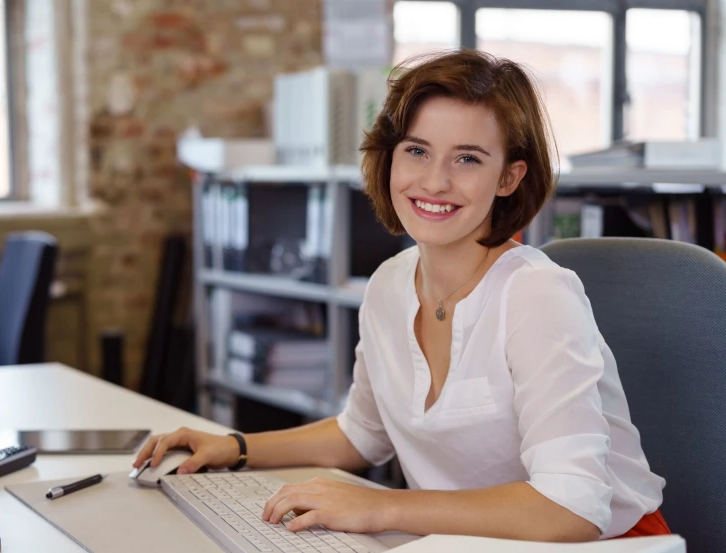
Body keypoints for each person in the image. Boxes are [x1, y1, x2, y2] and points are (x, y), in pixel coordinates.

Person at [133, 50, 668, 542]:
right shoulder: (389, 283)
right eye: (417, 150)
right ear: (389, 157)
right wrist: (237, 447)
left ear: (509, 176)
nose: (433, 182)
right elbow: (362, 435)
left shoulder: (536, 295)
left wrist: (378, 507)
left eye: (467, 159)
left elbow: (571, 508)